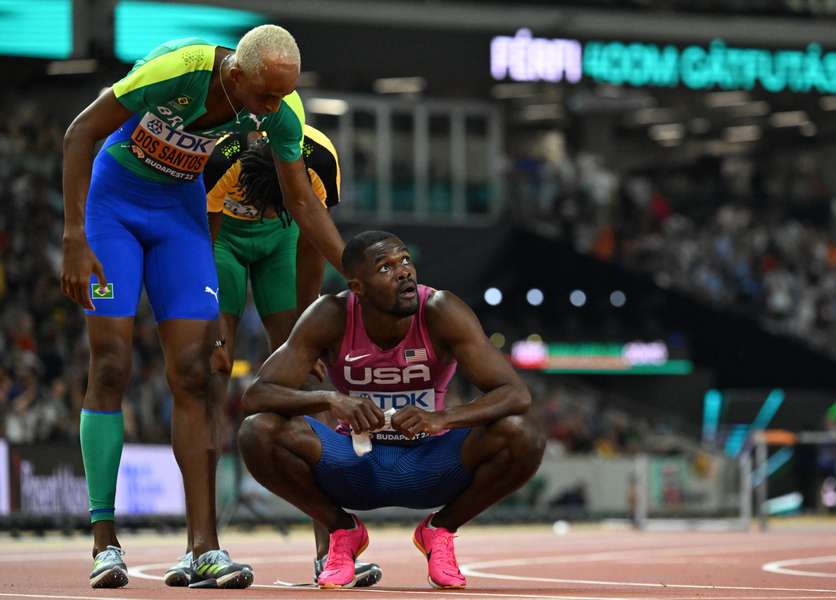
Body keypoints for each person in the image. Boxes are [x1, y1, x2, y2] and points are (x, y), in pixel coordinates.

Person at [60, 25, 345, 589]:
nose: (273, 109)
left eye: (282, 96)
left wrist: (353, 270)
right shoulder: (180, 70)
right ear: (236, 74)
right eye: (265, 95)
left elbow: (301, 202)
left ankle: (203, 549)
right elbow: (79, 132)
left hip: (180, 214)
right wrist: (73, 235)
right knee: (112, 364)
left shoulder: (280, 110)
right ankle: (103, 541)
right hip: (115, 203)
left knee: (196, 375)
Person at [238, 230, 546, 589]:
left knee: (524, 434)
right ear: (358, 288)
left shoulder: (441, 310)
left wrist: (441, 418)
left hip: (432, 464)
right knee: (257, 431)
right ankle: (342, 530)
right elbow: (257, 395)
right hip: (353, 461)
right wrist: (331, 400)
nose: (403, 272)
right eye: (386, 267)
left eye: (404, 261)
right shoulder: (330, 315)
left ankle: (440, 529)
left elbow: (515, 394)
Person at [162, 127, 382, 587]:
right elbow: (202, 253)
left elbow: (312, 244)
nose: (263, 212)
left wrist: (306, 330)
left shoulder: (319, 160)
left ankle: (331, 550)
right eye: (261, 204)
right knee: (208, 377)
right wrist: (220, 341)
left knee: (308, 382)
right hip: (218, 241)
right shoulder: (222, 159)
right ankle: (201, 547)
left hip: (283, 244)